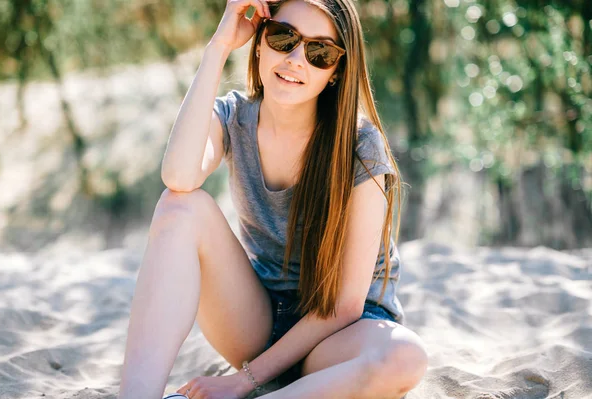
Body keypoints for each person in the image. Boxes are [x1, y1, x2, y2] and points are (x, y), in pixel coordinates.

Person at [118, 0, 428, 398]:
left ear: (335, 72)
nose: (297, 59)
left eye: (320, 53)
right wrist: (218, 47)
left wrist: (243, 381)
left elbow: (345, 307)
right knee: (180, 207)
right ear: (260, 43)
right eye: (284, 38)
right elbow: (178, 176)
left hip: (338, 338)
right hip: (259, 322)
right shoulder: (233, 117)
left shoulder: (360, 147)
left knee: (406, 356)